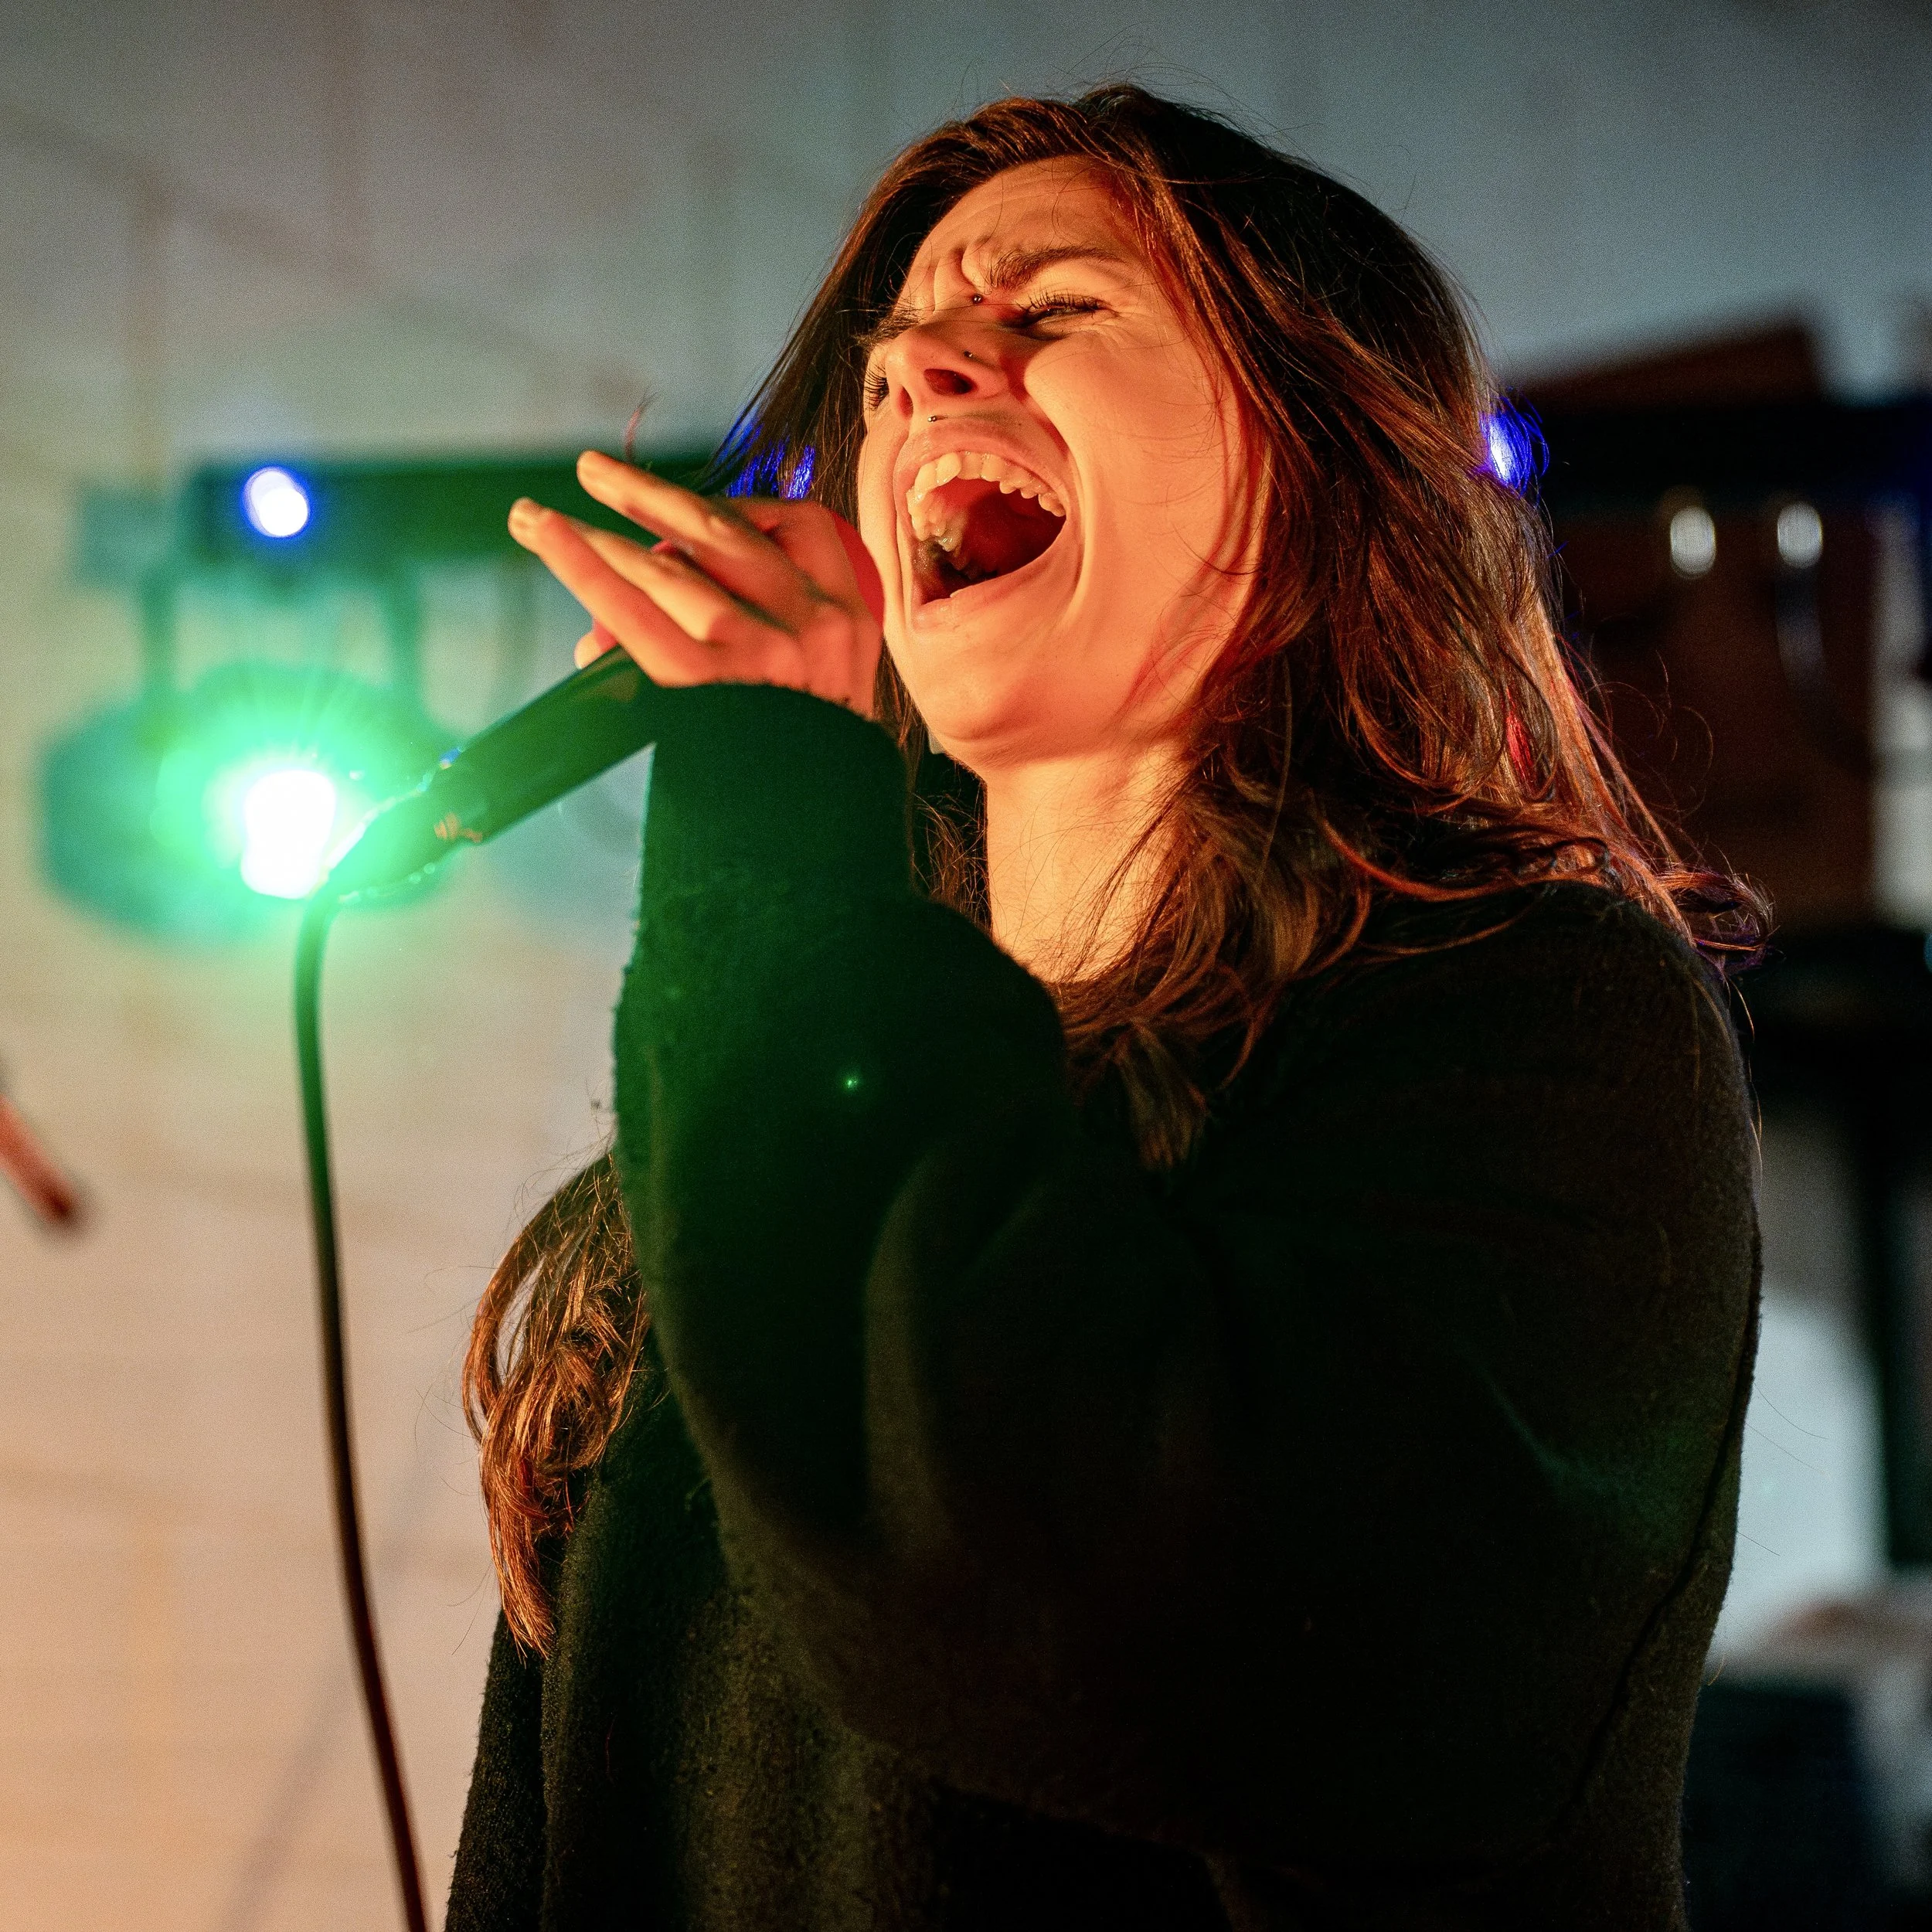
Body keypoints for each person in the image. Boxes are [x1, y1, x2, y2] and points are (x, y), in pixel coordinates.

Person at [445, 86, 1760, 1932]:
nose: (924, 380)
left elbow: (1061, 1595)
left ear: (1316, 456)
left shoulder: (1526, 1014)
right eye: (896, 364)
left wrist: (765, 806)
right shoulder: (755, 1127)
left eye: (1048, 312)